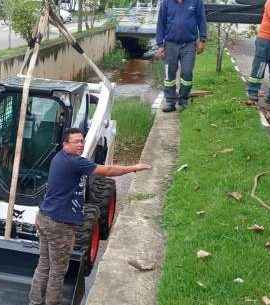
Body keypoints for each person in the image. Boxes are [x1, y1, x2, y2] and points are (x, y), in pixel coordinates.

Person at [28, 128, 151, 305]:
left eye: (82, 141)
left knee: (44, 265)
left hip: (44, 218)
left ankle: (35, 301)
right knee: (57, 271)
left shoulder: (59, 158)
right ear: (65, 144)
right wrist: (133, 168)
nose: (81, 144)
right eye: (76, 141)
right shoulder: (74, 162)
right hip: (59, 225)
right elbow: (107, 170)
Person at [155, 0, 208, 112]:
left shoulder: (196, 2)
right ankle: (170, 101)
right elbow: (160, 23)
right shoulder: (166, 3)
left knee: (187, 72)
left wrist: (202, 39)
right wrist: (160, 44)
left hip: (189, 44)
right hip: (170, 44)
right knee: (169, 74)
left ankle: (183, 99)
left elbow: (201, 20)